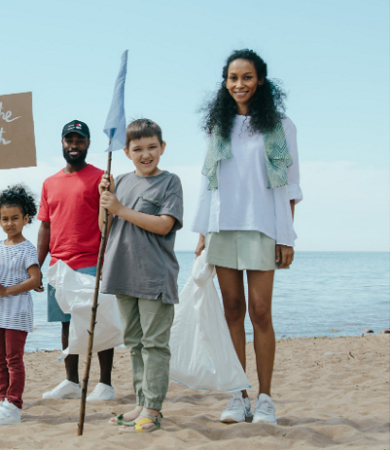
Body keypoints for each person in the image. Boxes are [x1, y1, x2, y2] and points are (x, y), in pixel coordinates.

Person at [193, 49, 302, 425]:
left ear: (260, 81)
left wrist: (286, 237)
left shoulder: (281, 126)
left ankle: (266, 398)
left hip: (263, 227)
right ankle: (238, 398)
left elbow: (290, 186)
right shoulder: (218, 127)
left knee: (260, 314)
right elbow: (209, 184)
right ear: (225, 83)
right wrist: (203, 233)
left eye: (247, 77)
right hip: (223, 227)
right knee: (232, 312)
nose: (240, 84)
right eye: (233, 78)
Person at [98, 119, 183, 433]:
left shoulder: (170, 182)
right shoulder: (119, 180)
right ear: (126, 151)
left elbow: (163, 225)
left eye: (151, 147)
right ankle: (140, 402)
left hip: (154, 275)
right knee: (134, 342)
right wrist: (104, 199)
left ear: (162, 147)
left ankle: (154, 409)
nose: (145, 154)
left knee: (154, 344)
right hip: (121, 271)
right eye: (138, 149)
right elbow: (104, 229)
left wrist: (119, 207)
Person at [38, 120, 115, 401]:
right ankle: (71, 382)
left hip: (92, 261)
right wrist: (37, 265)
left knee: (98, 321)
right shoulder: (50, 183)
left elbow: (111, 220)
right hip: (59, 265)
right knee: (66, 324)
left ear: (88, 144)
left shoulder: (100, 178)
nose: (74, 145)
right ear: (62, 143)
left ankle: (105, 384)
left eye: (79, 141)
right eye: (69, 140)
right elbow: (45, 226)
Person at [0, 184, 41, 426]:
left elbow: (35, 280)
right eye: (4, 219)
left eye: (15, 218)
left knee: (14, 359)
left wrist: (6, 291)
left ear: (26, 218)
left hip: (16, 313)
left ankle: (13, 404)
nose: (9, 223)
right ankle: (1, 399)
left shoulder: (27, 249)